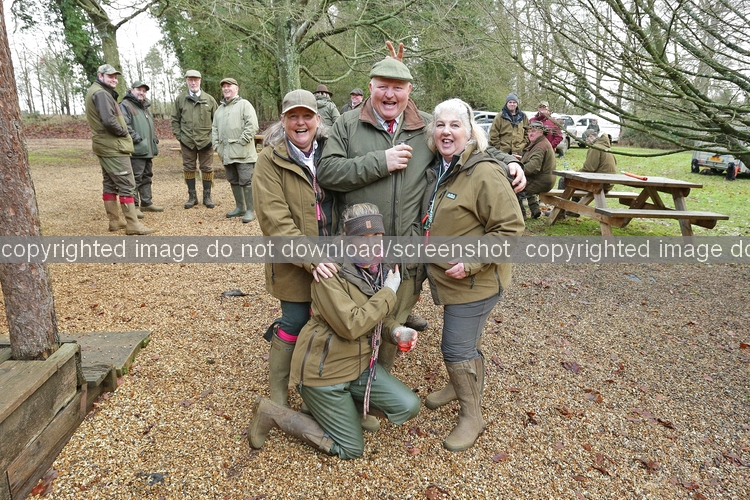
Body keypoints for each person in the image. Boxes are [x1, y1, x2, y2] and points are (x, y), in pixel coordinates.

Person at [318, 44, 527, 371]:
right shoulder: (347, 124)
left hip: (406, 252)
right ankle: (346, 382)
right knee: (353, 319)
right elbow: (327, 172)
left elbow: (467, 144)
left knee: (392, 320)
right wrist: (380, 162)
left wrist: (510, 162)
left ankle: (379, 384)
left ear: (409, 91)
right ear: (370, 87)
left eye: (398, 87)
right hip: (358, 249)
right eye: (383, 86)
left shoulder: (426, 126)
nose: (390, 94)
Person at [248, 203, 421, 460]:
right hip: (324, 374)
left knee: (409, 405)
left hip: (358, 366)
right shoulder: (330, 271)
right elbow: (352, 325)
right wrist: (388, 292)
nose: (372, 244)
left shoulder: (377, 269)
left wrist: (395, 331)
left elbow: (380, 317)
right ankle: (272, 413)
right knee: (351, 449)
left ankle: (343, 410)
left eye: (377, 235)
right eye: (363, 236)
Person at [421, 99, 524, 451]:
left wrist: (470, 261)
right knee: (466, 343)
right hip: (451, 278)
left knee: (456, 347)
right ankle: (458, 385)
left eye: (455, 125)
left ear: (470, 131)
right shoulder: (442, 165)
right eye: (440, 125)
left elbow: (510, 229)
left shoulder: (484, 172)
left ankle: (472, 416)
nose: (446, 131)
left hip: (476, 280)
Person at [252, 89, 338, 408]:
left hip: (335, 254)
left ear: (318, 119)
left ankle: (319, 388)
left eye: (306, 116)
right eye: (293, 117)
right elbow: (274, 221)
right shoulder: (269, 160)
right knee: (295, 319)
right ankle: (278, 392)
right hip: (292, 260)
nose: (300, 123)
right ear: (283, 120)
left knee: (333, 319)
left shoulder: (333, 151)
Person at [84, 64, 154, 235]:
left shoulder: (97, 91)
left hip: (104, 145)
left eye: (115, 77)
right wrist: (124, 132)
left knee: (109, 182)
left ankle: (115, 221)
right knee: (127, 184)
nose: (114, 79)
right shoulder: (101, 93)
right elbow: (109, 121)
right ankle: (133, 224)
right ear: (100, 76)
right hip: (113, 146)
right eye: (110, 76)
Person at [212, 77, 259, 223]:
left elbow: (252, 125)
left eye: (229, 86)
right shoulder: (219, 110)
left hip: (244, 153)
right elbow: (214, 129)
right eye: (224, 86)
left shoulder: (245, 105)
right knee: (233, 180)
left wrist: (242, 142)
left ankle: (251, 210)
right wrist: (217, 146)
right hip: (226, 153)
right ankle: (240, 207)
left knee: (246, 180)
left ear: (236, 89)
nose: (226, 88)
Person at [171, 70, 218, 209]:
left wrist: (212, 138)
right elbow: (174, 119)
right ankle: (192, 197)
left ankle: (207, 196)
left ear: (200, 81)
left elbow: (217, 121)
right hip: (187, 141)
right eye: (190, 80)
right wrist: (180, 137)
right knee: (188, 167)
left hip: (206, 141)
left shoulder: (209, 99)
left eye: (195, 80)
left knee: (207, 168)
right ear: (186, 81)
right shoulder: (180, 99)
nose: (193, 83)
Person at [119, 81, 163, 217]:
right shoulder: (125, 105)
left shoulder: (144, 107)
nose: (141, 93)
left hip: (147, 149)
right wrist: (137, 139)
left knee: (147, 177)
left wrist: (153, 138)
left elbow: (147, 126)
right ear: (131, 89)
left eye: (144, 91)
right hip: (136, 149)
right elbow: (124, 125)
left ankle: (146, 202)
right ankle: (135, 206)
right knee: (135, 178)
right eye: (139, 90)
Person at [519, 120, 556, 219]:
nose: (530, 133)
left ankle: (520, 214)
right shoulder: (539, 143)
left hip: (541, 182)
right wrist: (520, 160)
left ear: (541, 132)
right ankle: (535, 209)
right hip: (544, 179)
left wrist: (518, 167)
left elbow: (532, 168)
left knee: (514, 183)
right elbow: (533, 161)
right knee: (523, 180)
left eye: (534, 131)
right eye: (529, 131)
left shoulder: (540, 146)